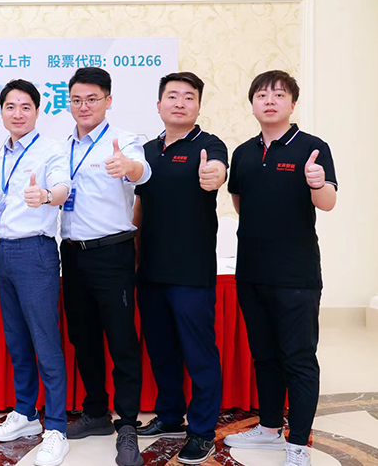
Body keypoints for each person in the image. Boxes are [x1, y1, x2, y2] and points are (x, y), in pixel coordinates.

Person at [224, 70, 337, 466]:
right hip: (251, 272)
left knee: (299, 358)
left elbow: (327, 202)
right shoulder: (243, 153)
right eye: (261, 94)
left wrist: (317, 182)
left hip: (296, 274)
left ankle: (298, 444)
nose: (269, 100)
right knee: (265, 355)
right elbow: (239, 201)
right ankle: (270, 427)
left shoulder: (312, 147)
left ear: (293, 103)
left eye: (278, 94)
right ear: (253, 103)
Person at [132, 73, 227, 464]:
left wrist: (214, 174)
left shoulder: (209, 145)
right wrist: (133, 254)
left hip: (191, 273)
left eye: (189, 97)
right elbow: (139, 206)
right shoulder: (146, 151)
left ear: (198, 106)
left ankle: (202, 431)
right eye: (172, 96)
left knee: (199, 355)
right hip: (150, 271)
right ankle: (170, 416)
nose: (180, 103)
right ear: (159, 105)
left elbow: (217, 170)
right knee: (161, 351)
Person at [59, 67, 150, 466]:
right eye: (77, 99)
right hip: (72, 253)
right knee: (83, 337)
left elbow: (142, 170)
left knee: (122, 341)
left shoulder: (124, 141)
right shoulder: (62, 147)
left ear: (108, 101)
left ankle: (127, 424)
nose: (84, 106)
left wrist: (128, 167)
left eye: (92, 99)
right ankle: (95, 411)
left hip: (112, 253)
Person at [0, 79, 71, 466]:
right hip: (6, 252)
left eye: (25, 107)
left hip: (36, 252)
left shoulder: (50, 150)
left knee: (45, 343)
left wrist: (47, 196)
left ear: (37, 111)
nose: (17, 113)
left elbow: (62, 188)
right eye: (10, 106)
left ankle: (56, 428)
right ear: (2, 111)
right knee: (17, 341)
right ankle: (26, 413)